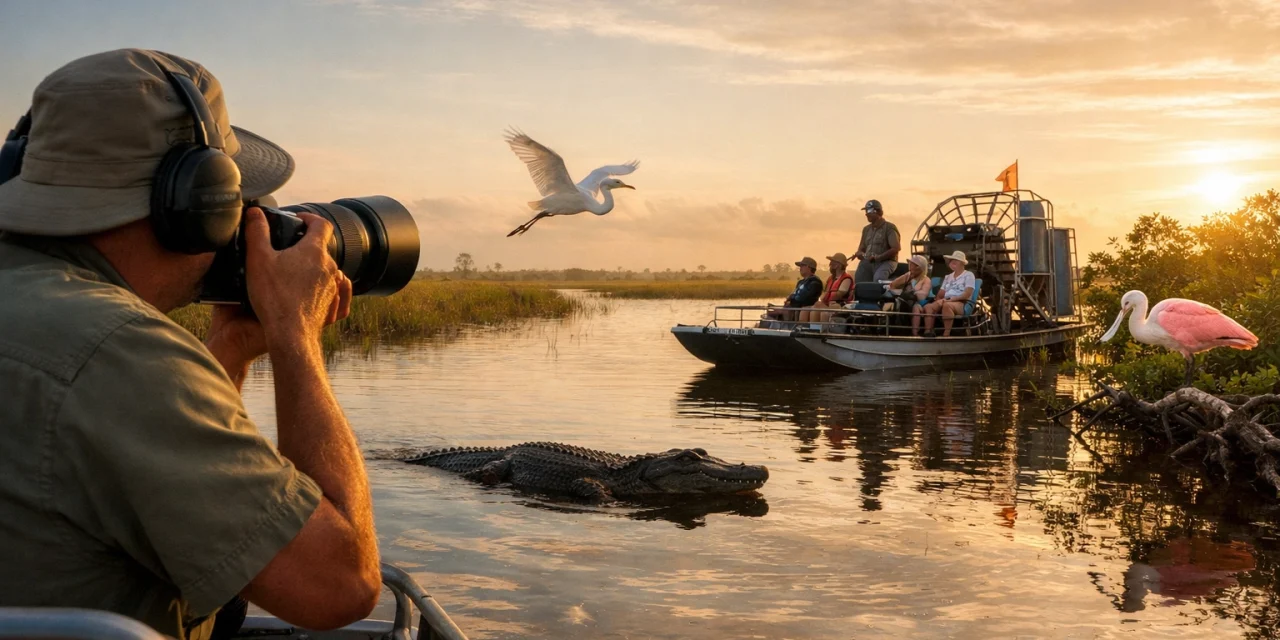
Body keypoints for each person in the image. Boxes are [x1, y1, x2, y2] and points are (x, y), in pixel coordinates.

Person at [0, 49, 380, 640]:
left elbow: (143, 461)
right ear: (192, 201)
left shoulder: (66, 325)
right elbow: (340, 586)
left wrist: (227, 347)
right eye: (236, 203)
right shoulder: (119, 350)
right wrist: (296, 337)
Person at [922, 250, 976, 337]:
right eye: (952, 260)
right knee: (928, 307)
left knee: (947, 305)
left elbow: (968, 294)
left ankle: (946, 334)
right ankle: (928, 332)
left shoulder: (969, 275)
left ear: (962, 263)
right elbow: (941, 294)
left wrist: (952, 299)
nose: (953, 262)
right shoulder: (948, 277)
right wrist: (938, 301)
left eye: (956, 260)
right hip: (946, 300)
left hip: (962, 302)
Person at [760, 256, 823, 327]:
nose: (800, 268)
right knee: (770, 311)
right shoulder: (801, 282)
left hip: (801, 307)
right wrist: (789, 299)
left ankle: (786, 327)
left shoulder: (815, 282)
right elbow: (794, 295)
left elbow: (805, 297)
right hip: (793, 306)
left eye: (802, 266)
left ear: (809, 267)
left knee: (777, 312)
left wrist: (791, 301)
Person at [852, 199, 900, 283]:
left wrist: (879, 257)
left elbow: (895, 248)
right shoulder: (866, 229)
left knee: (878, 279)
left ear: (878, 212)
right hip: (868, 262)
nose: (867, 213)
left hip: (887, 262)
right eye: (866, 211)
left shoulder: (889, 227)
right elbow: (862, 248)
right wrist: (859, 253)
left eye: (870, 210)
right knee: (859, 279)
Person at [883, 254, 933, 336]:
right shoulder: (908, 276)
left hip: (922, 303)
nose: (910, 266)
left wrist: (913, 292)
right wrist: (897, 291)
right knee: (894, 304)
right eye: (910, 264)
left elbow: (923, 295)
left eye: (912, 265)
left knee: (916, 308)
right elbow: (893, 285)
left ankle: (915, 333)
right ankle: (891, 328)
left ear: (919, 267)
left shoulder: (926, 280)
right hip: (908, 301)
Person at [799, 253, 853, 325]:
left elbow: (838, 295)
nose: (830, 264)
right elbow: (825, 294)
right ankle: (805, 330)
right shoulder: (831, 278)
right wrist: (823, 300)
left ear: (838, 265)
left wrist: (825, 300)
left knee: (820, 310)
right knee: (805, 309)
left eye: (832, 262)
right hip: (828, 304)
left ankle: (818, 331)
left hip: (840, 305)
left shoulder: (846, 278)